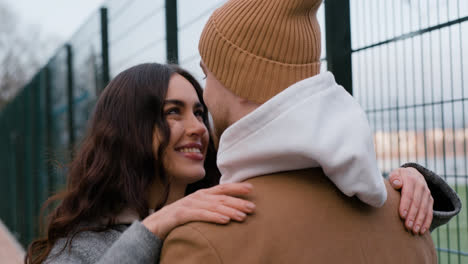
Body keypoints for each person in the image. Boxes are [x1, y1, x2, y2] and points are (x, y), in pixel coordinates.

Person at [25, 62, 454, 264]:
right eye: (173, 112)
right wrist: (153, 229)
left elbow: (320, 229)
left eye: (199, 111)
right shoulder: (78, 248)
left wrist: (408, 185)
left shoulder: (220, 206)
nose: (196, 127)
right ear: (128, 130)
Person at [159, 0, 461, 263]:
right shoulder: (410, 218)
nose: (205, 95)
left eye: (206, 74)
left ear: (240, 81)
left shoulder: (201, 241)